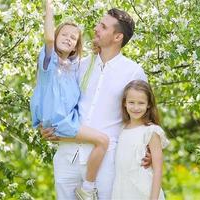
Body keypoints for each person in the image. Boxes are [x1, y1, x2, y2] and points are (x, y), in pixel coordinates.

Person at [40, 7, 151, 200]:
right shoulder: (78, 65)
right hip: (68, 155)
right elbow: (60, 99)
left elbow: (142, 117)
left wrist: (147, 148)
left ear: (117, 37)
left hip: (106, 160)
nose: (96, 28)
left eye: (103, 26)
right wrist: (46, 125)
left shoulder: (133, 72)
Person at [30, 0, 109, 199]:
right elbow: (48, 38)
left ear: (75, 46)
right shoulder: (50, 63)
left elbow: (90, 63)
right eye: (64, 34)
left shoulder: (72, 67)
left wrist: (98, 47)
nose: (68, 38)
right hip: (59, 122)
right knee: (102, 141)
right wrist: (49, 9)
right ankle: (88, 189)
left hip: (64, 123)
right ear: (56, 37)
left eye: (73, 38)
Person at [111, 80, 169, 200]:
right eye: (131, 102)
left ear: (148, 104)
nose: (136, 107)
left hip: (144, 193)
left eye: (141, 103)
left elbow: (158, 170)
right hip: (122, 191)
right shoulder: (121, 129)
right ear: (124, 103)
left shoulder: (151, 131)